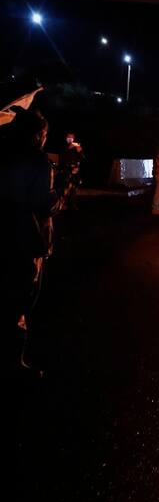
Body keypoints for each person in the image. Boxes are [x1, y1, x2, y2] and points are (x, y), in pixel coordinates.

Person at [0, 108, 61, 371]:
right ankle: (14, 361)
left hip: (4, 233)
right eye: (45, 134)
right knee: (23, 298)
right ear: (37, 136)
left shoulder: (3, 155)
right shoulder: (38, 162)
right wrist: (57, 196)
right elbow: (43, 205)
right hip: (27, 237)